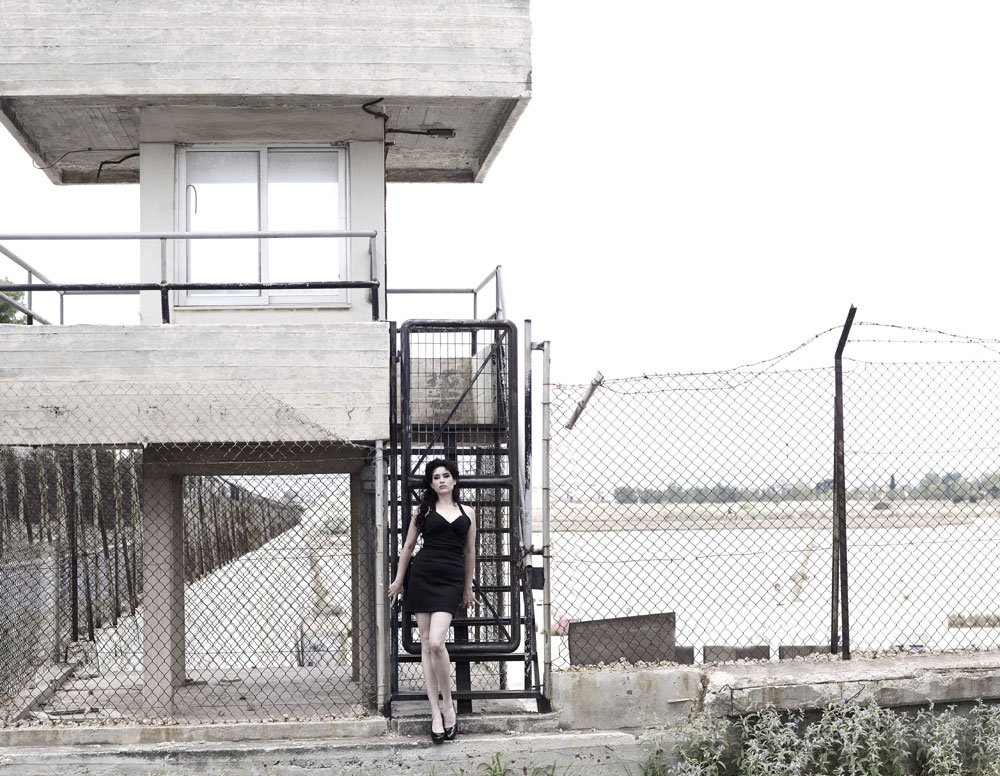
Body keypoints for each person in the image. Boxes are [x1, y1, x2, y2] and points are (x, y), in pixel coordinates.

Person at [387, 458, 476, 743]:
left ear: (454, 480)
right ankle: (435, 713)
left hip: (450, 579)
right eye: (436, 477)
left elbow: (470, 552)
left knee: (437, 642)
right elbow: (408, 546)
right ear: (431, 483)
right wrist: (399, 580)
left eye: (445, 475)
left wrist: (467, 588)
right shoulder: (423, 510)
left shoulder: (468, 512)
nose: (441, 480)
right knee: (426, 644)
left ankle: (448, 705)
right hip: (423, 576)